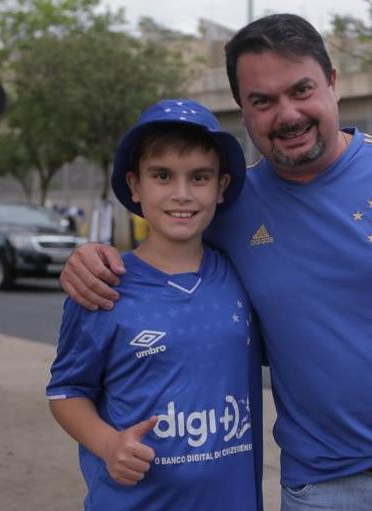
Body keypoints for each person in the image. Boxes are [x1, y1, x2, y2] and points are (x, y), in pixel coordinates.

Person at [61, 14, 372, 511]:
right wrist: (88, 258)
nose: (287, 115)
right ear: (244, 112)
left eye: (301, 90)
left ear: (332, 84)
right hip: (317, 493)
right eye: (262, 101)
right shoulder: (229, 207)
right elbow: (168, 244)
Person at [46, 100, 262, 510]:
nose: (181, 194)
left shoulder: (241, 275)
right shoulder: (103, 286)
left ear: (221, 187)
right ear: (134, 185)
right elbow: (66, 391)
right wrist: (109, 444)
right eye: (162, 176)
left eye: (199, 177)